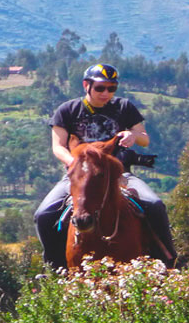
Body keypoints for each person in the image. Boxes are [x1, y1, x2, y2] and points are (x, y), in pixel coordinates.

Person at [33, 64, 177, 270]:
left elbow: (145, 139)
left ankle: (168, 258)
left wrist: (133, 135)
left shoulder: (124, 107)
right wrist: (78, 164)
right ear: (86, 85)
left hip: (120, 175)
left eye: (111, 88)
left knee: (155, 205)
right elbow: (58, 147)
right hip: (78, 177)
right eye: (100, 88)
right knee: (43, 215)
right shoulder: (67, 110)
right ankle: (54, 266)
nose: (106, 93)